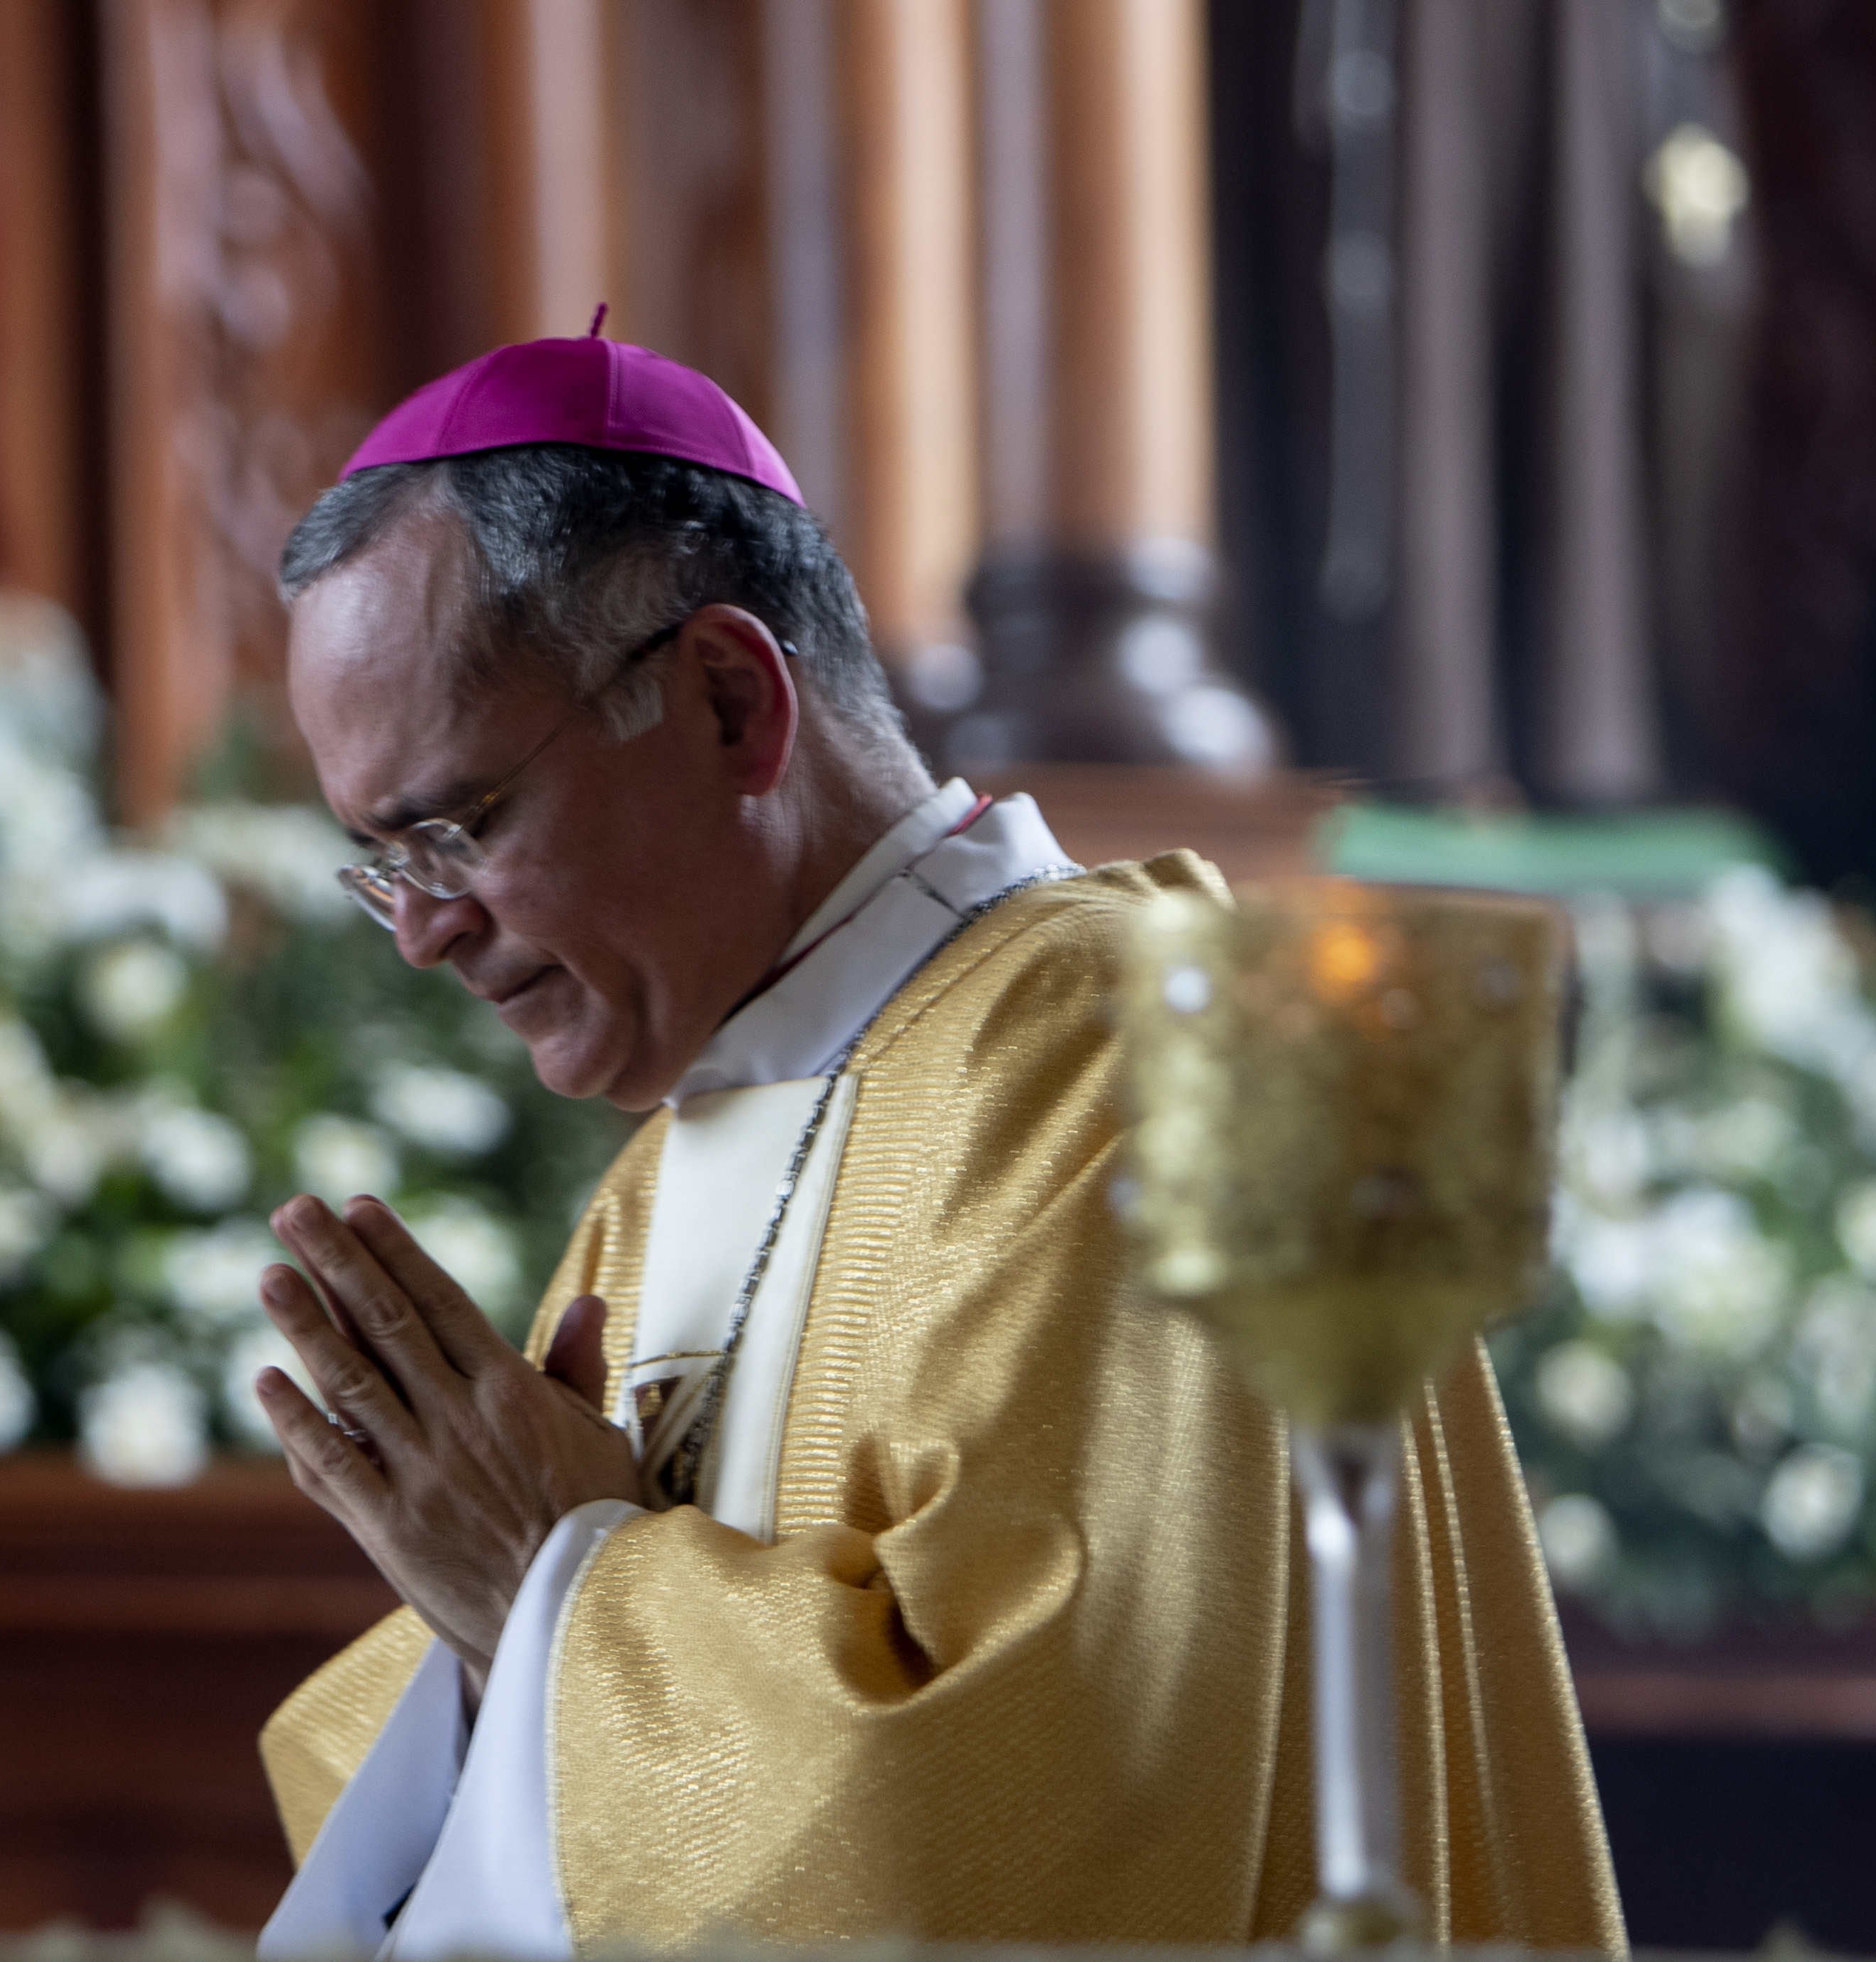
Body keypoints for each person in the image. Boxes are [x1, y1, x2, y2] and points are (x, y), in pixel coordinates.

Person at [244, 328, 1624, 1956]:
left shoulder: (1134, 1060)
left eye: (458, 827)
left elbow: (1028, 1822)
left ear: (727, 701)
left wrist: (551, 1588)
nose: (423, 932)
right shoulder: (671, 1171)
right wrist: (507, 1626)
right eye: (380, 862)